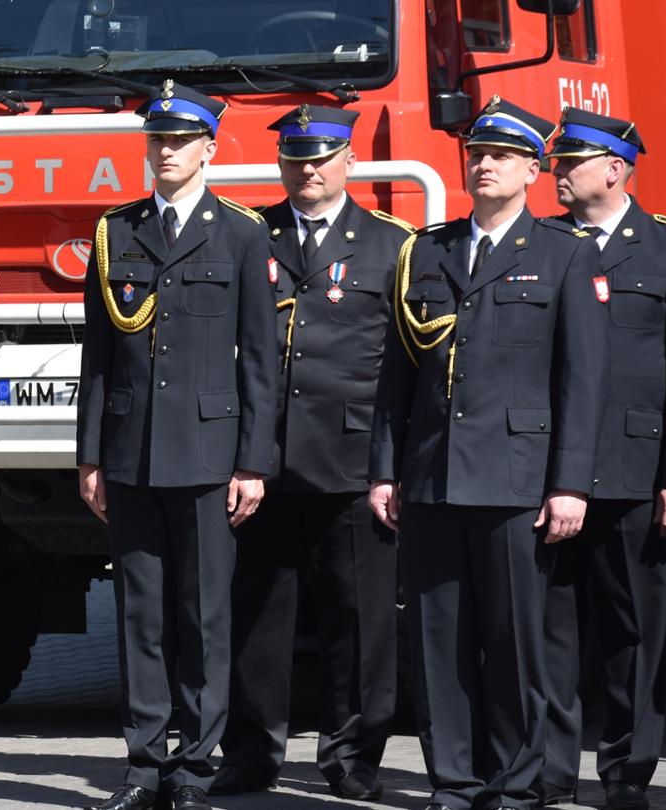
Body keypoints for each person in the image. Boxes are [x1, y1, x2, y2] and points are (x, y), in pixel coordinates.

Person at [368, 97, 607, 810]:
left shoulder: (565, 255)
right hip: (434, 475)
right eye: (477, 152)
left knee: (512, 642)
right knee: (438, 641)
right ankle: (454, 779)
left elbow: (582, 381)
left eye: (502, 155)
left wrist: (570, 485)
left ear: (534, 169)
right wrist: (385, 470)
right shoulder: (429, 249)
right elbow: (396, 378)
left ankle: (516, 780)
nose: (485, 164)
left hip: (516, 478)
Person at [74, 80, 279, 810]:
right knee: (139, 617)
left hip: (207, 453)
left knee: (201, 618)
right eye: (157, 140)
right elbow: (98, 358)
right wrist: (89, 457)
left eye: (180, 141)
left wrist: (255, 461)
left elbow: (259, 358)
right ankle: (142, 767)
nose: (166, 152)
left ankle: (195, 769)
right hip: (130, 453)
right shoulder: (115, 231)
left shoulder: (243, 234)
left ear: (209, 149)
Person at [215, 104, 410, 803]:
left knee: (357, 621)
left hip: (351, 458)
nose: (307, 170)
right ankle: (250, 753)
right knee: (255, 617)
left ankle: (352, 757)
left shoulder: (391, 245)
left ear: (349, 162)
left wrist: (390, 465)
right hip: (260, 459)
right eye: (296, 158)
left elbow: (401, 371)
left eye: (322, 158)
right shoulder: (247, 234)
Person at [541, 108, 666, 810]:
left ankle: (628, 772)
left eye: (569, 162)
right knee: (550, 626)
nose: (557, 174)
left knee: (634, 630)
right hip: (546, 468)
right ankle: (551, 767)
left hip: (635, 464)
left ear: (615, 169)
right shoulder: (540, 242)